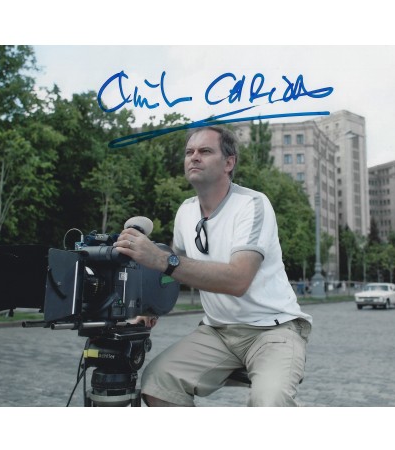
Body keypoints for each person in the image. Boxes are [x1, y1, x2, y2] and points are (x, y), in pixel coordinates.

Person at [114, 126, 312, 407]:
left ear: (228, 163)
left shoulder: (253, 204)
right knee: (158, 383)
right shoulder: (185, 211)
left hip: (273, 329)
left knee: (270, 401)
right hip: (218, 331)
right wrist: (148, 309)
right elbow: (172, 275)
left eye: (205, 151)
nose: (194, 157)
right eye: (189, 152)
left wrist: (160, 259)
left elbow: (238, 280)